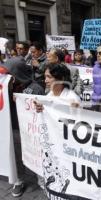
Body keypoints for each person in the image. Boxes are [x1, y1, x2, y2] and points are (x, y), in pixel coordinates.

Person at [0, 57, 45, 197]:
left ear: (17, 74)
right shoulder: (4, 88)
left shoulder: (35, 88)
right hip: (13, 128)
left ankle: (42, 180)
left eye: (9, 74)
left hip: (31, 129)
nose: (6, 77)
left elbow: (43, 108)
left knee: (37, 153)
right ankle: (18, 180)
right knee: (16, 155)